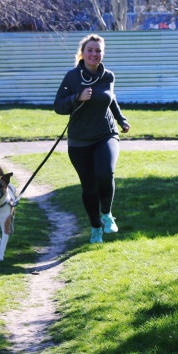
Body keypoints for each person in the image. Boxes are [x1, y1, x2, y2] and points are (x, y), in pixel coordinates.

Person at [54, 34, 130, 244]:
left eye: (98, 50)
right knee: (89, 187)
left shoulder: (108, 76)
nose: (94, 54)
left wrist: (121, 120)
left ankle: (106, 214)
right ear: (82, 52)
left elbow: (111, 99)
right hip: (79, 141)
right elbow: (58, 106)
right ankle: (95, 227)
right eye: (90, 50)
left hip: (106, 133)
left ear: (102, 53)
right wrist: (76, 98)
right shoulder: (72, 76)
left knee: (106, 172)